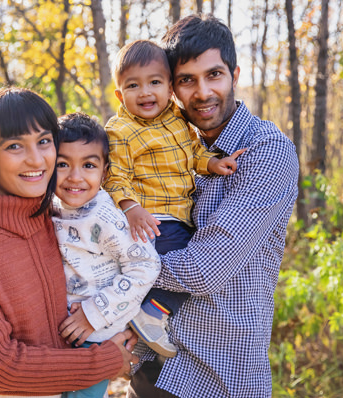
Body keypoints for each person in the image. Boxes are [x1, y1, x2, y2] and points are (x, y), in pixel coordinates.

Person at [0, 87, 137, 397]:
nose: (36, 159)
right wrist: (106, 360)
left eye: (44, 142)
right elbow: (0, 367)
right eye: (14, 146)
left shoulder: (61, 217)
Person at [127, 15, 299, 398]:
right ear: (173, 89)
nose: (202, 92)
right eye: (187, 80)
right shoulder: (168, 148)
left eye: (214, 75)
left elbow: (206, 268)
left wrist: (124, 278)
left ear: (234, 74)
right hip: (151, 365)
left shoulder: (266, 151)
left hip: (217, 375)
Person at [103, 39, 246, 358]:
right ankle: (150, 312)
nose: (145, 93)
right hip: (151, 219)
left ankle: (135, 314)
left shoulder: (177, 119)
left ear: (169, 88)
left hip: (178, 216)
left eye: (154, 82)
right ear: (119, 94)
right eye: (133, 86)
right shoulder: (121, 130)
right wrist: (131, 207)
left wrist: (211, 163)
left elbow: (192, 153)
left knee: (191, 258)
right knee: (192, 263)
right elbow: (115, 176)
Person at [52, 113, 161, 398]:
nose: (75, 176)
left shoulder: (104, 217)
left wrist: (93, 314)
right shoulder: (53, 206)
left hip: (96, 335)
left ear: (105, 172)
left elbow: (146, 265)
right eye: (63, 164)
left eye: (88, 165)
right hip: (62, 334)